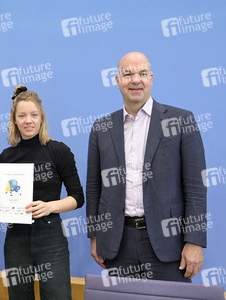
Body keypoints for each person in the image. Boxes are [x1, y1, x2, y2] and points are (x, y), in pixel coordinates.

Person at [86, 52, 206, 282]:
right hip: (118, 244)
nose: (135, 80)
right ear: (117, 80)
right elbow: (94, 187)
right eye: (128, 74)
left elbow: (195, 187)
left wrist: (195, 241)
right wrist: (95, 235)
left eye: (142, 73)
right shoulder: (101, 127)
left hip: (169, 243)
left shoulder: (181, 120)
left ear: (151, 77)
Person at [0, 85, 84, 300]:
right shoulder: (6, 156)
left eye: (33, 115)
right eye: (22, 115)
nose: (28, 120)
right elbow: (3, 198)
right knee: (19, 296)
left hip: (50, 237)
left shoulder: (59, 151)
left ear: (42, 118)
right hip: (16, 238)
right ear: (14, 120)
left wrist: (49, 206)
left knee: (57, 296)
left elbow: (78, 197)